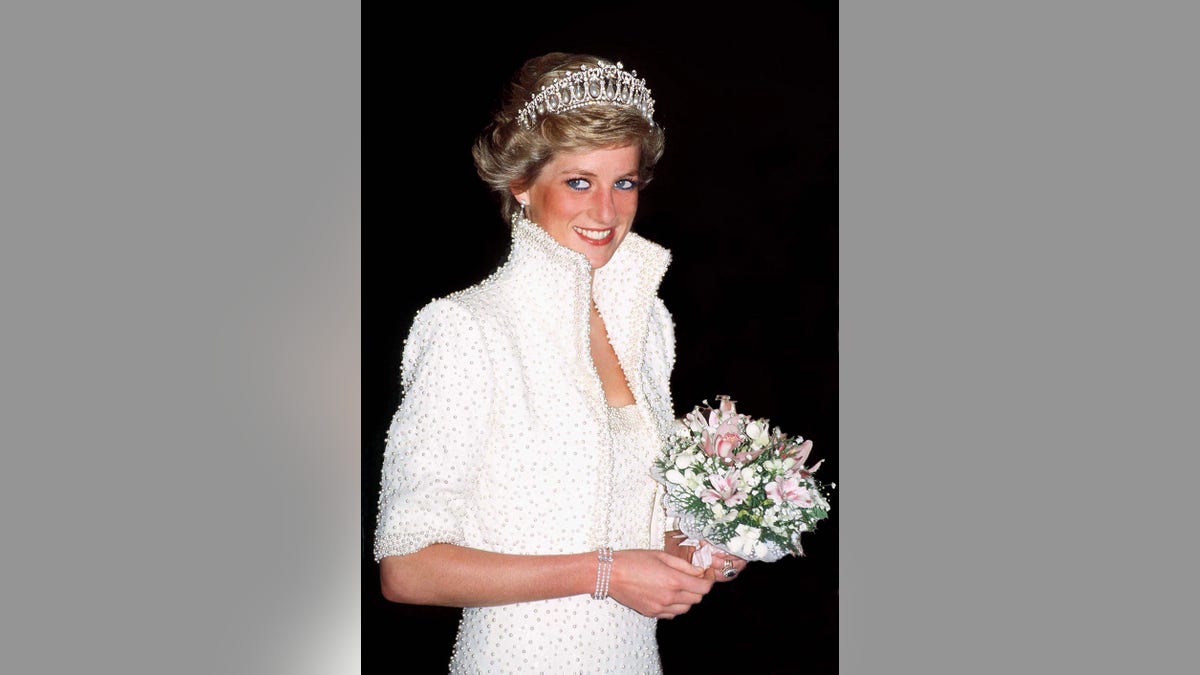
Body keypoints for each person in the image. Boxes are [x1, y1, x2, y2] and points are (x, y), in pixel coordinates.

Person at [372, 52, 747, 673]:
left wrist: (701, 545)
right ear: (522, 185)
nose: (605, 211)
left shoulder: (649, 326)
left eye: (623, 182)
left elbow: (640, 524)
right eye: (579, 181)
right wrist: (604, 574)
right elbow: (408, 569)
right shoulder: (468, 327)